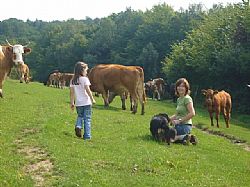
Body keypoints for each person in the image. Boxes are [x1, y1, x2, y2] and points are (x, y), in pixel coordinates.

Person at [70, 61, 96, 140]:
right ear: (82, 70)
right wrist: (92, 99)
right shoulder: (85, 79)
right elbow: (87, 90)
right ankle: (87, 136)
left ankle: (78, 126)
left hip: (78, 103)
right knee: (87, 119)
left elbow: (72, 93)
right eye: (86, 70)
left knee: (80, 116)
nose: (86, 72)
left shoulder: (73, 80)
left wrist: (72, 103)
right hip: (87, 103)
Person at [169, 78, 197, 145]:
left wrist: (179, 121)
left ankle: (182, 137)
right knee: (166, 132)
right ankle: (185, 138)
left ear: (186, 88)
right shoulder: (179, 99)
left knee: (168, 137)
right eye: (179, 86)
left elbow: (192, 113)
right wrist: (167, 120)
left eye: (182, 86)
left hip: (185, 125)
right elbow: (176, 115)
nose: (180, 88)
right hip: (178, 125)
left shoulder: (187, 99)